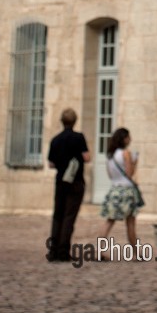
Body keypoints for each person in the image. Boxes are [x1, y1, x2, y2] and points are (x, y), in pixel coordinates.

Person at [46, 108, 90, 261]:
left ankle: (53, 251)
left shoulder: (55, 139)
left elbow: (51, 164)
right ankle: (63, 252)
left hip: (60, 181)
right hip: (75, 181)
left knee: (57, 216)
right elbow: (86, 157)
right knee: (69, 217)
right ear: (75, 121)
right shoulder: (78, 138)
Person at [98, 127, 140, 250]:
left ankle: (99, 250)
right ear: (124, 139)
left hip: (115, 189)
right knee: (131, 222)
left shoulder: (110, 155)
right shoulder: (125, 153)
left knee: (109, 221)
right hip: (126, 190)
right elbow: (129, 173)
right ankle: (135, 252)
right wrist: (135, 162)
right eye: (128, 137)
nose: (130, 139)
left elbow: (110, 175)